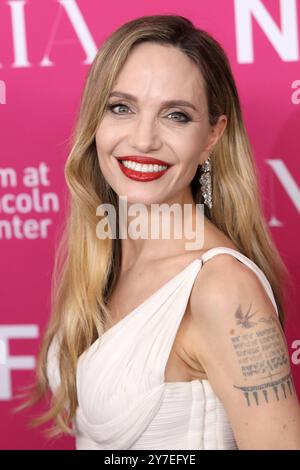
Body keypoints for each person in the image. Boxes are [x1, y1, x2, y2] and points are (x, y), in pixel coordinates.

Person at [17, 14, 300, 450]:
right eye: (121, 108)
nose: (144, 139)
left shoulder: (222, 287)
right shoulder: (104, 262)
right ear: (96, 120)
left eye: (176, 115)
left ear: (211, 137)